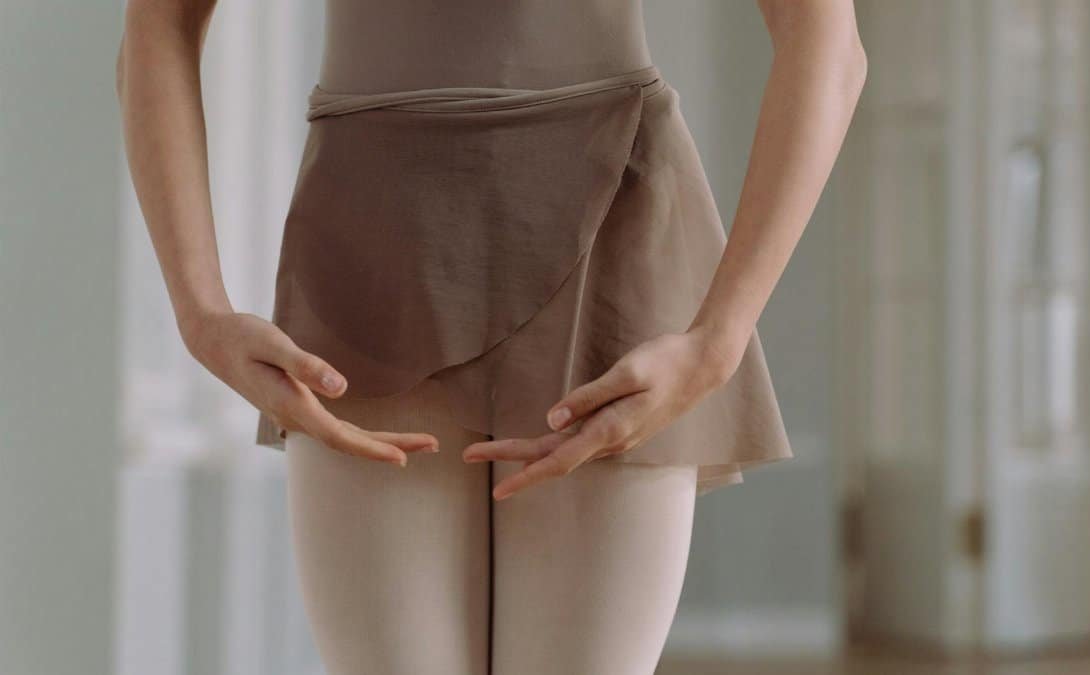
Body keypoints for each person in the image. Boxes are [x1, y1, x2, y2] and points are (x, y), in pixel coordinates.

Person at [115, 1, 867, 672]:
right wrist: (198, 312)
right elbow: (159, 21)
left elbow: (826, 39)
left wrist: (719, 339)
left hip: (613, 219)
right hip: (367, 248)